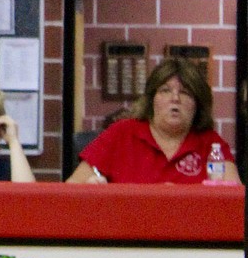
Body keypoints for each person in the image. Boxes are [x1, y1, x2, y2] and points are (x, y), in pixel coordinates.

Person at [67, 58, 239, 184]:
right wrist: (94, 188)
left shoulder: (212, 145)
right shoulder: (121, 133)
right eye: (165, 90)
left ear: (198, 104)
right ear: (151, 99)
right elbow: (72, 189)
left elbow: (235, 204)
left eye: (186, 92)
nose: (175, 99)